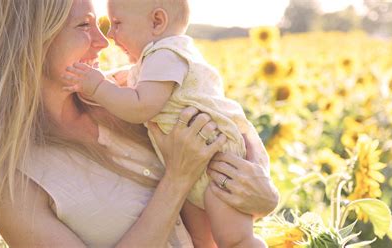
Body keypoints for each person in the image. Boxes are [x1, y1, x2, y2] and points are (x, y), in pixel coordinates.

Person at [0, 0, 279, 247]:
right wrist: (177, 178)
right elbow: (186, 178)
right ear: (30, 41)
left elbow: (220, 178)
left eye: (103, 25)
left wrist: (263, 196)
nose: (103, 41)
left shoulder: (129, 99)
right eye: (84, 26)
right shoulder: (9, 178)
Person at [62, 0, 269, 246]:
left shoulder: (166, 54)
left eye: (117, 24)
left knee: (236, 240)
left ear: (157, 22)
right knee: (201, 241)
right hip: (196, 159)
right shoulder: (156, 59)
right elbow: (132, 80)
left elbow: (140, 106)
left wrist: (98, 87)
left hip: (216, 161)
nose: (110, 35)